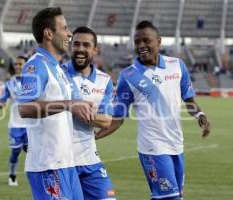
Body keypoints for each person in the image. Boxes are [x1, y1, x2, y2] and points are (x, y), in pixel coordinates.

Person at [96, 20, 211, 200]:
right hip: (152, 149)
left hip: (176, 146)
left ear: (159, 41)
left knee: (174, 197)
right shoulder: (128, 76)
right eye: (137, 41)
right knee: (169, 198)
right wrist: (94, 136)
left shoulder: (177, 66)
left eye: (146, 40)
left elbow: (189, 100)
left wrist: (200, 114)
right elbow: (117, 118)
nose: (141, 45)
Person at [17, 7, 94, 200]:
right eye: (65, 28)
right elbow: (24, 108)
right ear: (48, 33)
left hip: (66, 164)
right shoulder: (36, 65)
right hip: (47, 166)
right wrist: (68, 104)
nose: (69, 34)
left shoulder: (58, 69)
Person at [61, 26, 116, 199]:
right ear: (71, 47)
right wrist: (71, 107)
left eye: (86, 45)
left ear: (95, 50)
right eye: (76, 44)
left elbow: (107, 121)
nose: (80, 49)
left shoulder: (104, 80)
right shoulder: (58, 73)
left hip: (90, 160)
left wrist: (79, 111)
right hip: (62, 161)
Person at [0, 55, 28, 186]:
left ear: (26, 65)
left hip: (31, 125)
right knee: (15, 152)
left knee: (33, 151)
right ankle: (12, 175)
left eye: (20, 64)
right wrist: (1, 103)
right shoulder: (9, 84)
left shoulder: (33, 81)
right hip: (15, 124)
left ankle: (37, 177)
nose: (17, 66)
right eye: (16, 64)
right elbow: (3, 98)